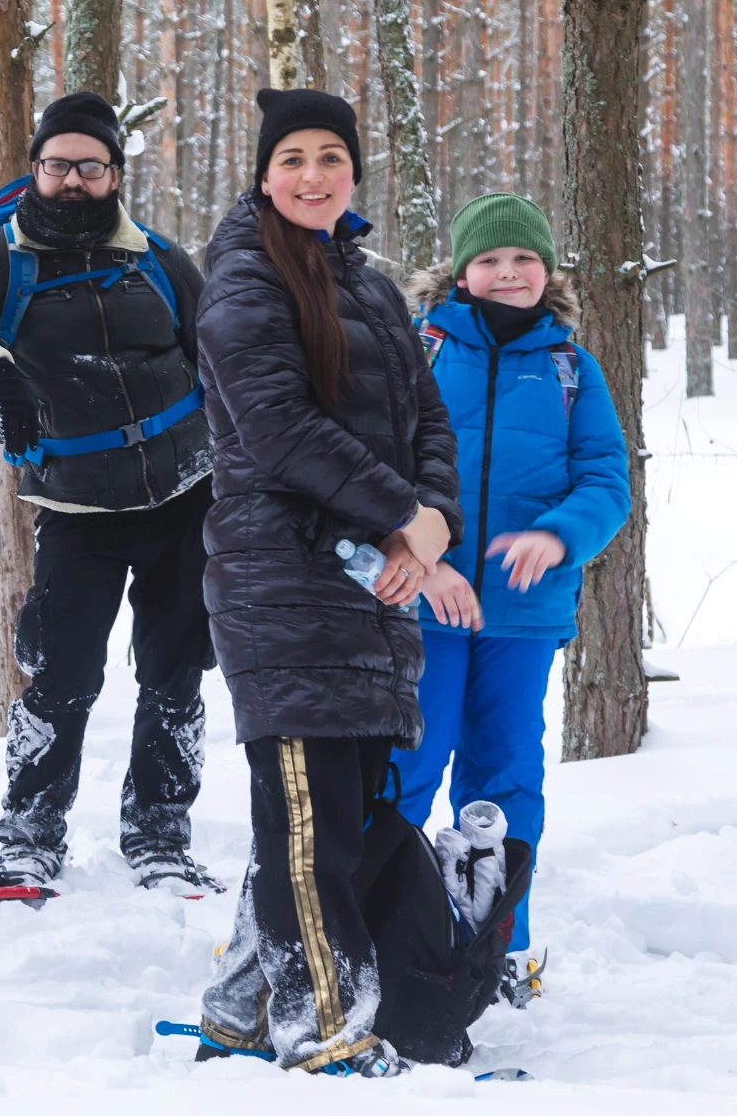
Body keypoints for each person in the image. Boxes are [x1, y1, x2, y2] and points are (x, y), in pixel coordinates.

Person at [192, 88, 461, 1073]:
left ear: (353, 172)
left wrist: (425, 527)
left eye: (329, 158)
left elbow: (427, 422)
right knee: (311, 830)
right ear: (263, 175)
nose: (312, 175)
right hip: (282, 582)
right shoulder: (245, 280)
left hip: (370, 586)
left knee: (330, 820)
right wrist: (403, 517)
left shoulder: (374, 290)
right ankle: (326, 1030)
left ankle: (236, 1008)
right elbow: (278, 430)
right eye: (292, 158)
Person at [0, 91, 217, 896]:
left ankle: (160, 835)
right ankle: (30, 837)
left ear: (114, 173)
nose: (72, 179)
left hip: (186, 497)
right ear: (34, 169)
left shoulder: (156, 259)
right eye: (56, 164)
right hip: (78, 511)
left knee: (176, 672)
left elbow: (218, 348)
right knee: (64, 675)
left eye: (90, 165)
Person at [393, 193, 631, 981]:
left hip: (524, 615)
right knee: (405, 770)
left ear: (546, 269)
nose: (507, 272)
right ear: (461, 272)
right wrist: (422, 560)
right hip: (424, 604)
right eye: (490, 259)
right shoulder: (417, 350)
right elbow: (379, 470)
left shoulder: (571, 365)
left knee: (502, 779)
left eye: (523, 258)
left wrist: (559, 532)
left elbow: (605, 478)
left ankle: (492, 944)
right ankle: (379, 931)